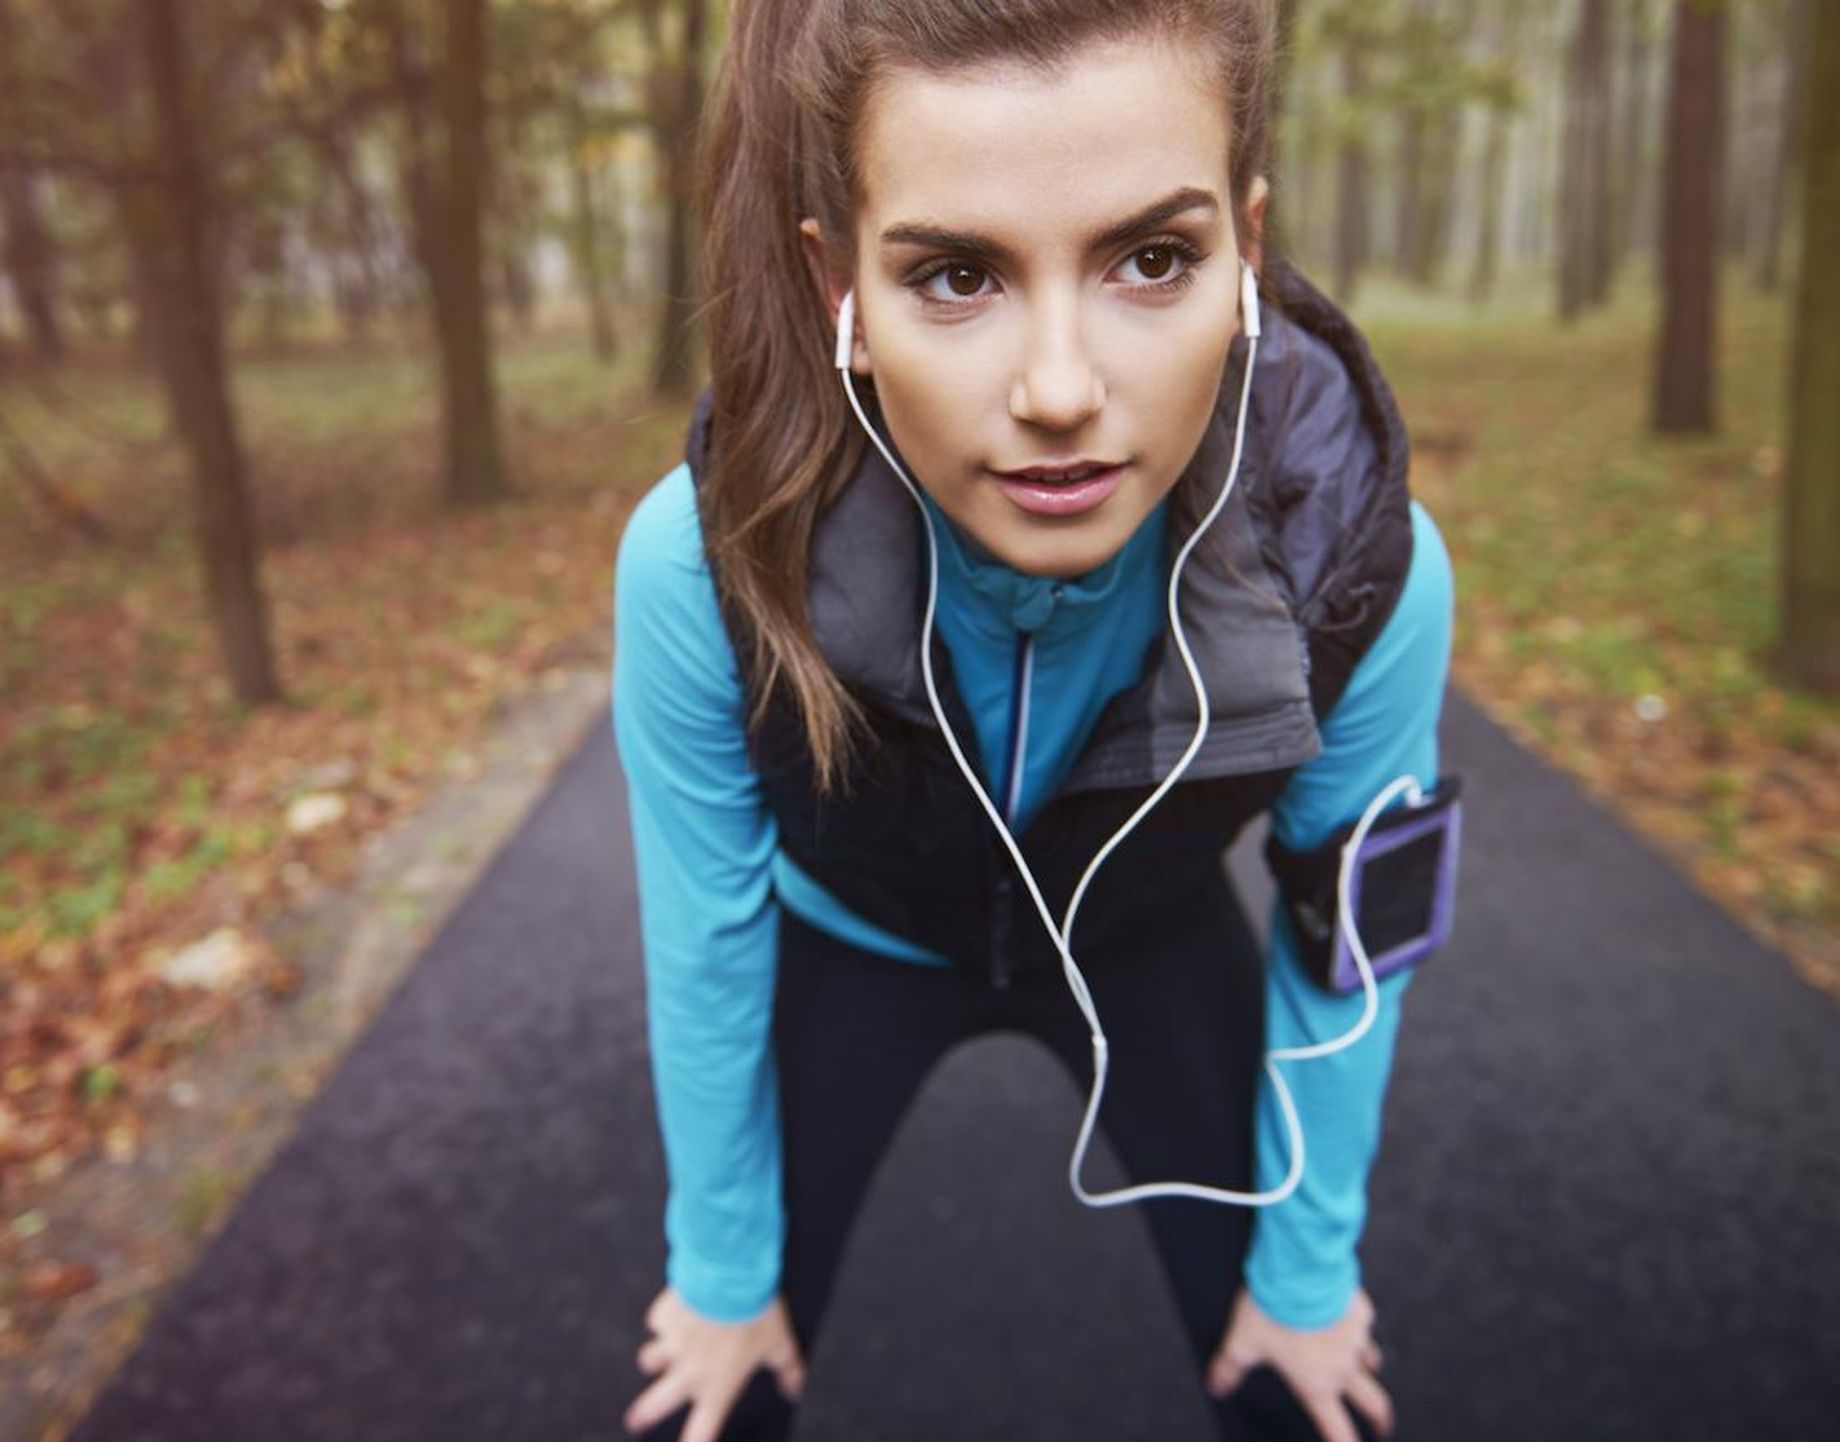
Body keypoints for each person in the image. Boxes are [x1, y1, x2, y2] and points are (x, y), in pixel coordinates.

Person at [610, 2, 1461, 1439]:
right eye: (954, 275)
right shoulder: (705, 565)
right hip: (854, 940)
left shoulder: (1360, 569)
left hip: (1150, 937)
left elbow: (1353, 943)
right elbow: (703, 937)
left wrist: (1308, 1279)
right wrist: (719, 1270)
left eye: (1153, 258)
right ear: (843, 295)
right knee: (711, 1390)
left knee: (1306, 1399)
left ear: (1246, 257)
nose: (1061, 391)